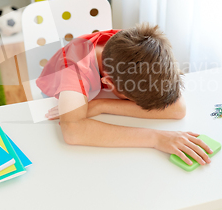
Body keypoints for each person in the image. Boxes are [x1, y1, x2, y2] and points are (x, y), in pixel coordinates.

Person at [36, 23, 212, 166]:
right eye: (130, 100)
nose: (132, 103)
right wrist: (157, 138)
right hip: (54, 96)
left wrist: (100, 105)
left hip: (95, 94)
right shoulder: (74, 68)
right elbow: (73, 131)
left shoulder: (136, 47)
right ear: (108, 83)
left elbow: (177, 109)